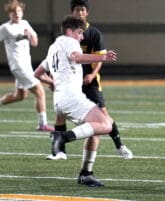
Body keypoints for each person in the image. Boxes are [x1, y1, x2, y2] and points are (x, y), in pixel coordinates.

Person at [34, 15, 117, 187]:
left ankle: (86, 173)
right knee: (107, 124)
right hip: (71, 98)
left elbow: (37, 73)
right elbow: (76, 57)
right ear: (69, 31)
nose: (81, 37)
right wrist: (102, 57)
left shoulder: (53, 47)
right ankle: (62, 137)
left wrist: (54, 82)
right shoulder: (69, 41)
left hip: (60, 101)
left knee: (96, 130)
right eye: (79, 32)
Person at [0, 0, 54, 132]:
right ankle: (42, 124)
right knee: (40, 91)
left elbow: (34, 42)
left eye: (19, 11)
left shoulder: (25, 23)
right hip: (18, 66)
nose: (17, 14)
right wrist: (24, 35)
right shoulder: (5, 28)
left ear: (22, 12)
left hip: (26, 65)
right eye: (13, 12)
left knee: (20, 95)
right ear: (9, 14)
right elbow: (17, 37)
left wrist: (30, 35)